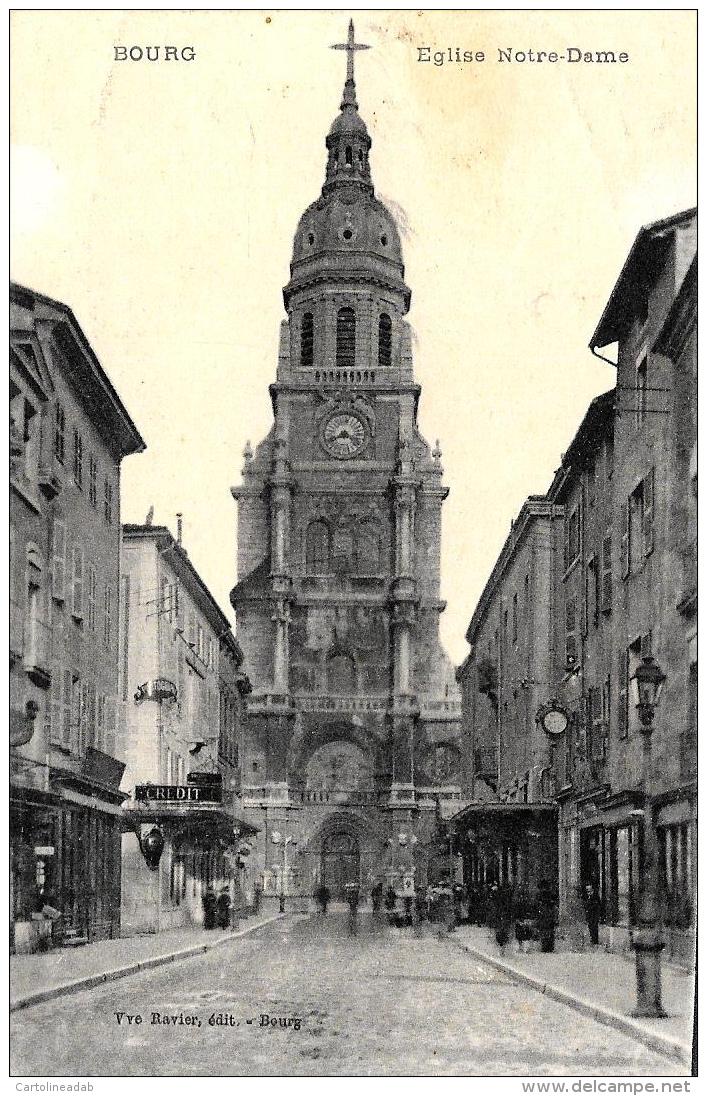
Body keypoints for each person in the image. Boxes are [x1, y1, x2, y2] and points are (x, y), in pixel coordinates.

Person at [535, 879, 557, 953]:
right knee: (549, 931)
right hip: (548, 913)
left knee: (545, 931)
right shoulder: (550, 893)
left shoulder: (540, 894)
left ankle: (545, 947)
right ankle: (549, 947)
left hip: (544, 913)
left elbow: (538, 903)